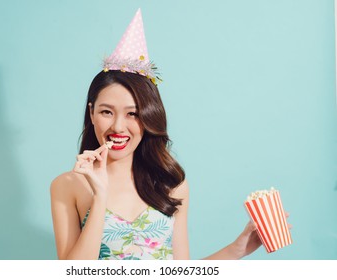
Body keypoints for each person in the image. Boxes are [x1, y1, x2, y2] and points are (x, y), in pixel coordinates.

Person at [50, 9, 264, 260]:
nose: (118, 127)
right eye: (107, 112)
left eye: (133, 114)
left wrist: (238, 248)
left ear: (149, 118)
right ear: (92, 112)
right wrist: (100, 196)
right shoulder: (67, 186)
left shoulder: (171, 184)